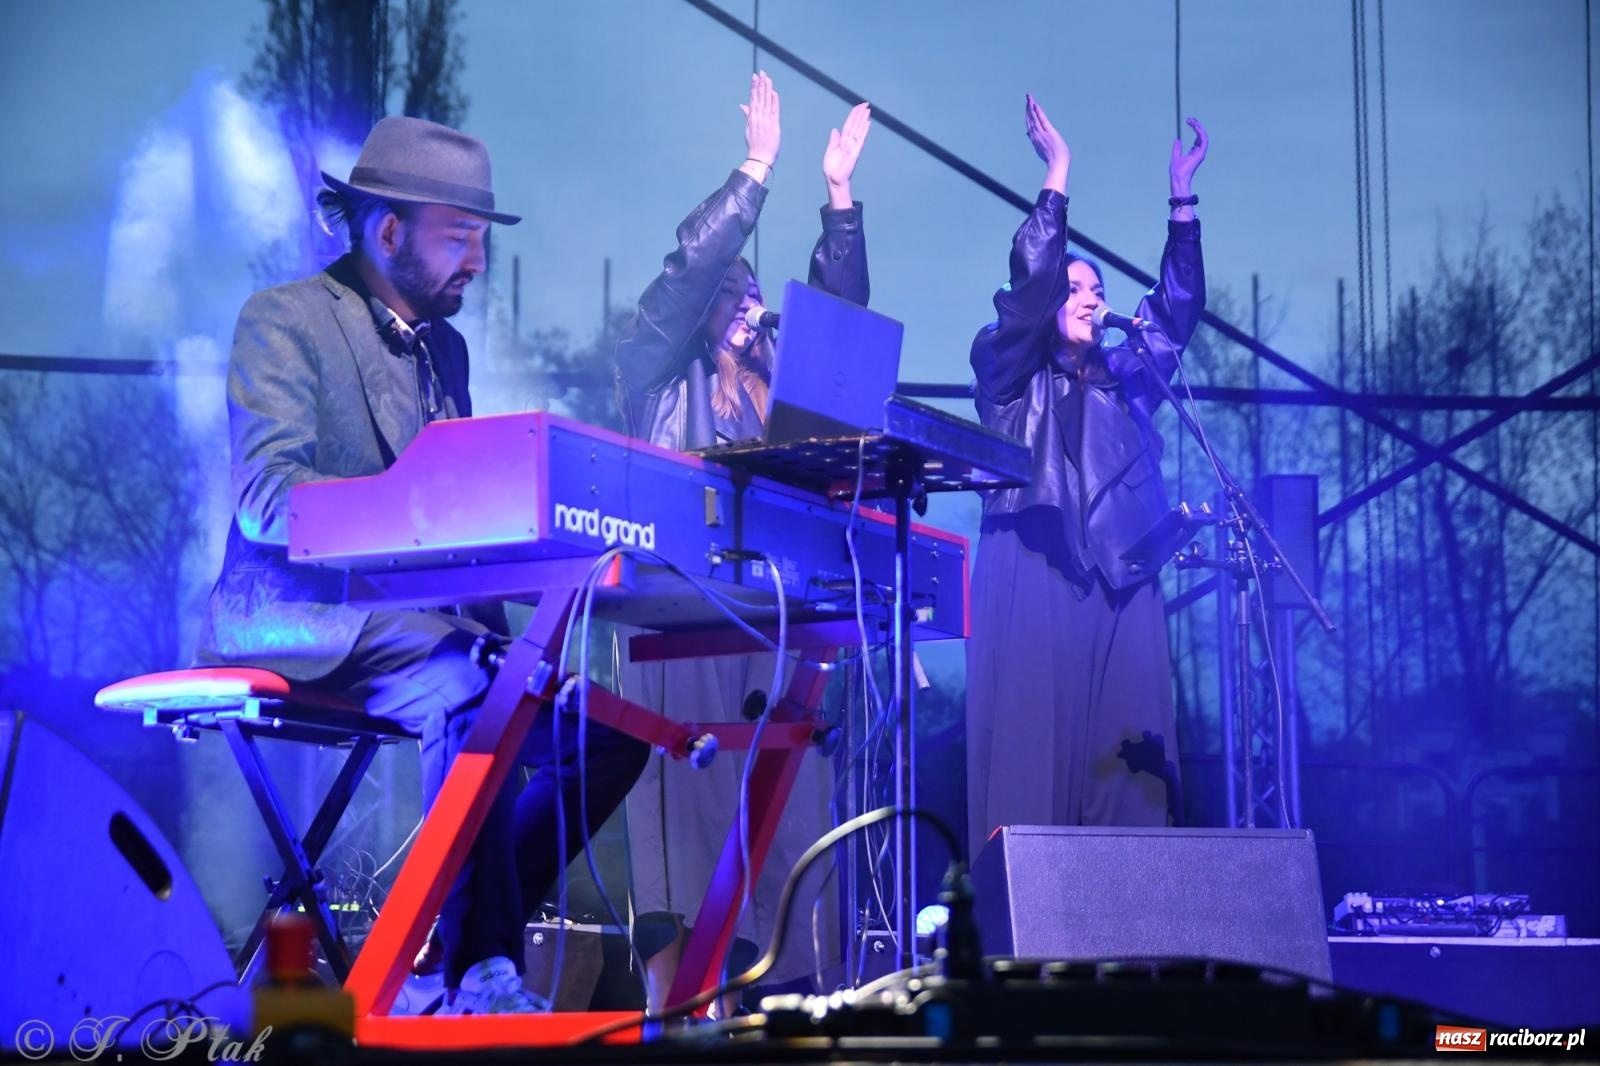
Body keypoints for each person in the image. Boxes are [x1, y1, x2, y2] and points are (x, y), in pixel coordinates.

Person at [192, 115, 649, 1014]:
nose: (476, 259)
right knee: (474, 685)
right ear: (387, 228)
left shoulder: (446, 348)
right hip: (294, 607)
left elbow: (460, 506)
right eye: (462, 235)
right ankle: (483, 969)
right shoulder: (283, 319)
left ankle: (439, 938)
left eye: (481, 238)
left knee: (608, 737)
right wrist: (408, 529)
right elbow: (266, 496)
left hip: (423, 626)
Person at [612, 72, 871, 1012]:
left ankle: (781, 1008)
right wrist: (755, 172)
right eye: (731, 289)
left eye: (755, 289)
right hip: (676, 617)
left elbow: (841, 351)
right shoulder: (653, 375)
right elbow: (683, 280)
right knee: (684, 816)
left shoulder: (775, 391)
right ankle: (675, 1015)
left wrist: (838, 203)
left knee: (788, 811)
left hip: (772, 624)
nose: (747, 300)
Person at [965, 95, 1208, 848]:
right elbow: (1028, 290)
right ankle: (1023, 938)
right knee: (1032, 764)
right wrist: (1057, 178)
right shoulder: (1008, 376)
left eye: (1097, 291)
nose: (1090, 299)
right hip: (1036, 567)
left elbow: (1173, 315)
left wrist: (1182, 206)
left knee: (1129, 766)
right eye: (1074, 290)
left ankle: (1129, 935)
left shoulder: (1126, 379)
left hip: (1123, 575)